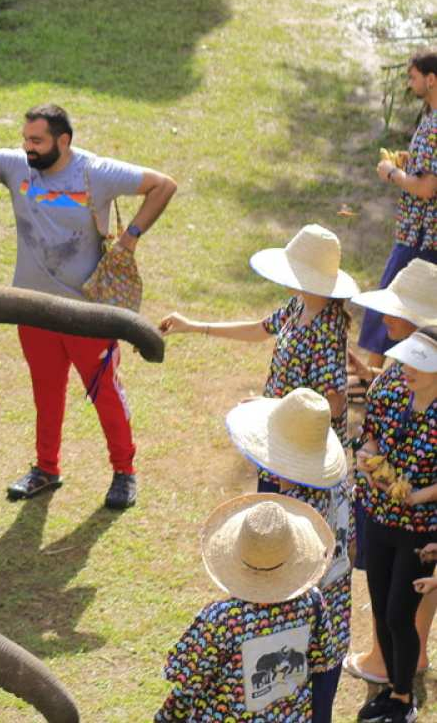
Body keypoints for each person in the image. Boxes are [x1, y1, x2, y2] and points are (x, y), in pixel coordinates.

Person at [0, 103, 177, 509]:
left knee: (105, 395)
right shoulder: (17, 168)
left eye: (37, 140)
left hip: (87, 314)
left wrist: (130, 237)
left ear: (63, 141)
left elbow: (163, 184)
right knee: (46, 394)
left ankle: (124, 472)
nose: (28, 147)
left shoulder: (94, 173)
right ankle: (46, 469)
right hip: (32, 311)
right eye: (26, 139)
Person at [159, 225, 358, 440]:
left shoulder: (327, 329)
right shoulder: (300, 304)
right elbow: (258, 329)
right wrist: (192, 326)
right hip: (284, 431)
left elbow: (333, 405)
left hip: (304, 444)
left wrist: (273, 407)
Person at [224, 389, 352, 721]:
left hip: (297, 614)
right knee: (320, 695)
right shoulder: (336, 482)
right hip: (334, 609)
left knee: (287, 701)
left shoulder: (292, 510)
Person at [157, 493, 333, 721]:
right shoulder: (313, 603)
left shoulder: (222, 619)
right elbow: (322, 660)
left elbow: (189, 682)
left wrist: (167, 716)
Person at [347, 260, 437, 689]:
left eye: (397, 314)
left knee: (399, 593)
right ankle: (414, 652)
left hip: (412, 520)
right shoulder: (400, 373)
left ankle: (386, 661)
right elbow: (372, 436)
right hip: (396, 515)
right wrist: (369, 454)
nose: (386, 320)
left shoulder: (404, 379)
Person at [361, 52, 437, 374]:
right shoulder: (430, 118)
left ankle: (370, 377)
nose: (410, 83)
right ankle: (375, 373)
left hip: (421, 234)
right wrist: (410, 162)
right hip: (418, 232)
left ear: (431, 79)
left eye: (413, 76)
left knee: (392, 302)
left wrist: (392, 173)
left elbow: (426, 189)